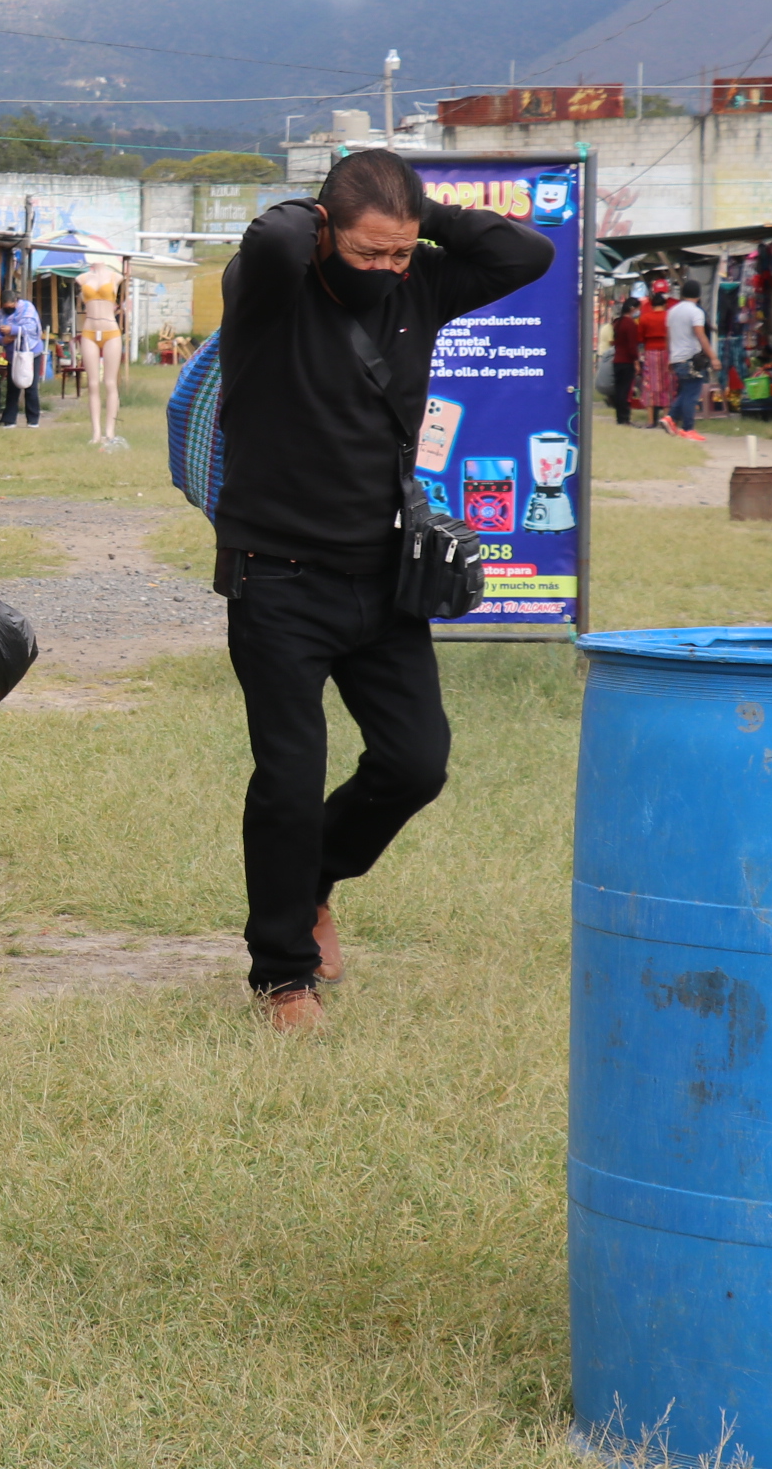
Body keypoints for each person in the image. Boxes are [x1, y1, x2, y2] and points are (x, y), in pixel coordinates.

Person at [212, 150, 554, 1030]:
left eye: (400, 253)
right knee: (290, 775)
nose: (386, 271)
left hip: (384, 574)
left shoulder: (423, 284)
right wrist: (325, 219)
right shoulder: (271, 292)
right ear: (327, 232)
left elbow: (528, 256)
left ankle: (314, 877)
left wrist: (418, 217)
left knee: (416, 762)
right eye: (369, 253)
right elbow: (274, 240)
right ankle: (282, 974)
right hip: (276, 576)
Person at [79, 258, 127, 449]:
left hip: (111, 331)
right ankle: (96, 432)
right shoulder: (82, 278)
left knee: (110, 383)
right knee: (92, 384)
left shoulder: (116, 277)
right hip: (89, 331)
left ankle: (110, 431)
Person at [0, 291, 45, 428]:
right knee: (13, 386)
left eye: (11, 307)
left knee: (30, 386)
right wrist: (3, 339)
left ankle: (33, 420)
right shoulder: (0, 314)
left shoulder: (28, 308)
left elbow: (32, 328)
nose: (8, 310)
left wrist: (13, 329)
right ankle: (9, 420)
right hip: (13, 354)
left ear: (16, 302)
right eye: (6, 308)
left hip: (31, 352)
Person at [664, 280, 709, 436]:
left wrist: (670, 357)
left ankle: (671, 418)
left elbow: (668, 337)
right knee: (692, 393)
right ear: (698, 294)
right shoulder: (696, 312)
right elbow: (700, 335)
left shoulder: (672, 311)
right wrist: (712, 356)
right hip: (691, 358)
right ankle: (688, 428)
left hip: (677, 358)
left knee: (686, 391)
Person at [635, 285, 674, 423]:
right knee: (667, 383)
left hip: (650, 352)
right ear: (665, 304)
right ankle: (666, 419)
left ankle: (651, 420)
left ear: (651, 305)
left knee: (650, 385)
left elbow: (640, 339)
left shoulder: (645, 318)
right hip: (667, 352)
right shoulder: (670, 316)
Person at [607, 296, 642, 427]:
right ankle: (624, 417)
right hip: (627, 361)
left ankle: (619, 417)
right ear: (633, 309)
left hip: (617, 360)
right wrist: (636, 361)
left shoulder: (618, 323)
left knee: (619, 390)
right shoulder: (630, 324)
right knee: (625, 390)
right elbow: (632, 346)